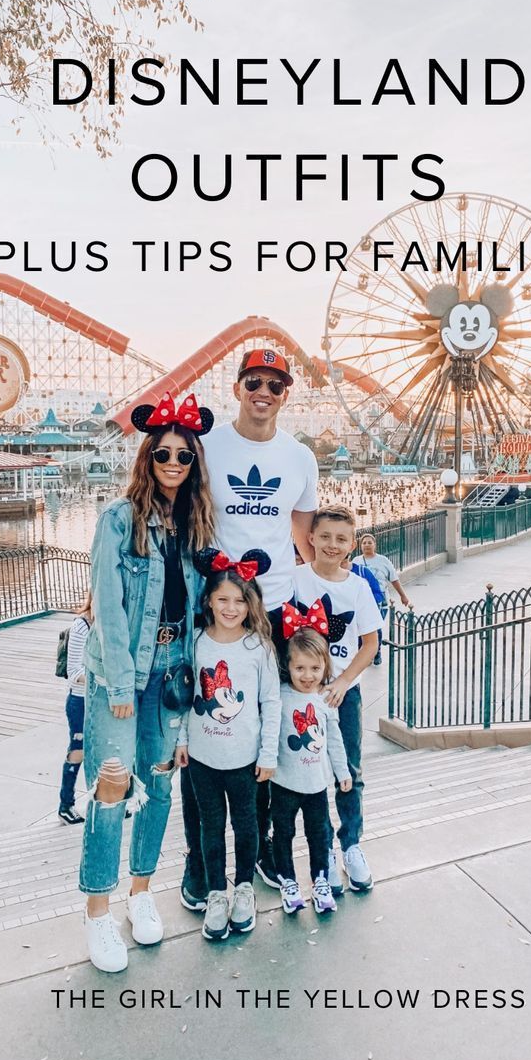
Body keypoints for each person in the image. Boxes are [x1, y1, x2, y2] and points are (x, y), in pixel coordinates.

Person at [78, 391, 214, 973]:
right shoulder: (118, 520)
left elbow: (200, 614)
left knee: (159, 786)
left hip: (172, 676)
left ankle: (140, 893)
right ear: (147, 458)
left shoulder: (196, 526)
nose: (174, 465)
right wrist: (119, 688)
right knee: (112, 788)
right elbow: (108, 607)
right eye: (164, 455)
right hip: (122, 673)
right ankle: (98, 914)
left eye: (184, 457)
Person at [200, 348, 318, 892]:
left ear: (285, 393)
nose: (264, 391)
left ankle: (268, 847)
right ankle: (201, 868)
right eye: (255, 381)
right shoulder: (207, 447)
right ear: (238, 387)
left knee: (268, 722)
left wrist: (325, 583)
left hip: (272, 607)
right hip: (219, 604)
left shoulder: (300, 457)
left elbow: (303, 529)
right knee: (209, 720)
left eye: (275, 383)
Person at [175, 548, 281, 941]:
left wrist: (268, 754)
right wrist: (182, 739)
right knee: (210, 825)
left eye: (239, 601)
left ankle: (243, 889)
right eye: (223, 599)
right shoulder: (198, 641)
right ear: (208, 601)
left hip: (245, 759)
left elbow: (271, 702)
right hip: (202, 757)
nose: (231, 607)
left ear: (250, 604)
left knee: (246, 823)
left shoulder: (258, 648)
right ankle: (216, 891)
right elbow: (187, 693)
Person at [293, 504, 382, 894]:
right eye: (325, 536)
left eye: (341, 539)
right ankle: (323, 850)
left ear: (351, 544)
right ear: (310, 538)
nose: (332, 545)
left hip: (342, 694)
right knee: (309, 774)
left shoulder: (358, 586)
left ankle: (351, 844)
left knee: (350, 770)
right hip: (301, 694)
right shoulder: (293, 580)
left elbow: (370, 642)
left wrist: (344, 681)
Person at [271, 616, 351, 915]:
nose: (307, 675)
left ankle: (319, 880)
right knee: (283, 833)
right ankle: (288, 881)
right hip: (283, 783)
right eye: (300, 668)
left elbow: (334, 740)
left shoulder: (325, 700)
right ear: (288, 666)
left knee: (319, 834)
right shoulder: (279, 696)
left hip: (317, 785)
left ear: (325, 669)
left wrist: (342, 772)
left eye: (315, 669)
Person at [58, 591, 92, 825]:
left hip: (101, 700)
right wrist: (105, 678)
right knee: (78, 749)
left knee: (104, 750)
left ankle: (105, 800)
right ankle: (65, 803)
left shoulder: (113, 624)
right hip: (80, 700)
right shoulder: (81, 626)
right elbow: (74, 673)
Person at [352, 533, 410, 664]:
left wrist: (403, 596)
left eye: (369, 542)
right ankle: (363, 654)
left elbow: (394, 579)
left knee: (375, 627)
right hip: (362, 601)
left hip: (380, 600)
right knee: (362, 628)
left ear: (375, 544)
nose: (367, 545)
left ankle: (376, 652)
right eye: (364, 543)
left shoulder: (383, 560)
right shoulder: (356, 561)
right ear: (360, 546)